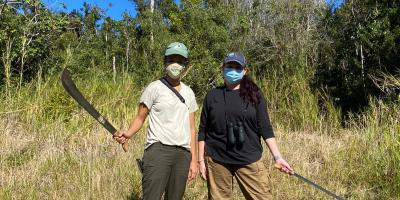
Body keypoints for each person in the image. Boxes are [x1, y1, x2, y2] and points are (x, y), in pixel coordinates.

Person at [197, 52, 293, 200]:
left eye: (237, 67)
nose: (233, 70)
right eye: (230, 66)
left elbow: (265, 128)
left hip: (249, 159)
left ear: (244, 71)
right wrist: (201, 161)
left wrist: (278, 157)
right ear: (222, 69)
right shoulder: (212, 95)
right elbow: (203, 130)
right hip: (217, 160)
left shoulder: (255, 95)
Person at [114, 42, 198, 200]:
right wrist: (128, 134)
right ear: (165, 62)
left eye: (180, 61)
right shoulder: (154, 88)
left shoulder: (189, 93)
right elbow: (140, 117)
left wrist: (194, 160)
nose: (176, 64)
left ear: (185, 65)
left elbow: (192, 129)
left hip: (183, 154)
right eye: (172, 59)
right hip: (158, 151)